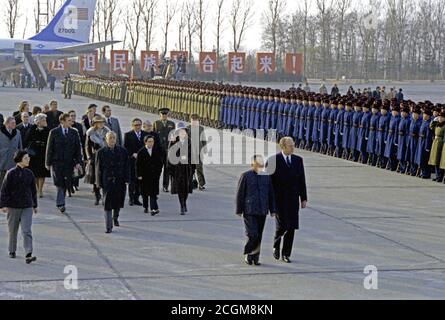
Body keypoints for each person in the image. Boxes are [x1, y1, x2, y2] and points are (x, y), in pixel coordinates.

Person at [267, 137, 308, 264]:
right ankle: (276, 245)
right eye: (290, 146)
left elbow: (302, 180)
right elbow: (268, 183)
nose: (293, 147)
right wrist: (269, 201)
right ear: (283, 147)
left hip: (293, 199)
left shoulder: (298, 160)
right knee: (281, 225)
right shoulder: (273, 160)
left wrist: (304, 198)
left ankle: (286, 253)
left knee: (291, 227)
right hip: (279, 200)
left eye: (293, 145)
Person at [236, 155, 276, 266]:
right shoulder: (246, 176)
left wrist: (273, 209)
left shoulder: (266, 177)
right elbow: (240, 194)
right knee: (252, 234)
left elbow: (270, 194)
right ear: (252, 164)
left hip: (262, 209)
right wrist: (239, 209)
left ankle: (255, 257)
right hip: (249, 210)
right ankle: (248, 252)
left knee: (259, 235)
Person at [0, 150, 38, 263]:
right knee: (13, 230)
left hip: (27, 205)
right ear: (19, 159)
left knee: (26, 230)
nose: (28, 159)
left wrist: (35, 205)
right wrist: (3, 205)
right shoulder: (11, 173)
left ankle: (28, 253)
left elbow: (33, 191)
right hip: (13, 206)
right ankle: (12, 250)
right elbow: (4, 190)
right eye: (26, 158)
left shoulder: (29, 173)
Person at [45, 114, 83, 213]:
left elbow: (77, 149)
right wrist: (47, 163)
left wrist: (79, 162)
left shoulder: (74, 132)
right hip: (57, 163)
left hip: (69, 163)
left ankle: (61, 201)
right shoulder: (54, 132)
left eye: (71, 120)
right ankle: (61, 203)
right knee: (59, 183)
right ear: (62, 121)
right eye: (69, 120)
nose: (71, 122)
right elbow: (49, 148)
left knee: (66, 183)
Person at [96, 132, 130, 233]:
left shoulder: (122, 151)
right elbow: (98, 169)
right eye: (110, 138)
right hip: (107, 181)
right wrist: (98, 182)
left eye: (113, 138)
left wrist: (127, 179)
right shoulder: (101, 152)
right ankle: (108, 226)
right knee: (107, 204)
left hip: (120, 181)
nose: (112, 140)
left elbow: (127, 166)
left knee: (118, 202)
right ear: (106, 140)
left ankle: (115, 217)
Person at [168, 124, 196, 215]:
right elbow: (169, 155)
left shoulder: (190, 141)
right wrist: (170, 169)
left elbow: (193, 155)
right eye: (180, 131)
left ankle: (184, 201)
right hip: (177, 168)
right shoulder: (173, 142)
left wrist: (193, 168)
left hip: (187, 168)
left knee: (186, 188)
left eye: (183, 131)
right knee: (180, 187)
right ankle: (182, 205)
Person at [24, 114, 51, 198]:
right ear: (38, 121)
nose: (45, 122)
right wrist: (35, 143)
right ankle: (36, 188)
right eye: (43, 120)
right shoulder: (32, 129)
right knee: (35, 173)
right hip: (34, 155)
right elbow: (26, 141)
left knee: (42, 173)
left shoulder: (47, 130)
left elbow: (50, 142)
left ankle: (40, 190)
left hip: (43, 154)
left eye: (45, 120)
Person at [85, 116, 110, 205]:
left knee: (105, 177)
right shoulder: (91, 133)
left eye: (102, 122)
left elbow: (110, 144)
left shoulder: (107, 132)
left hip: (105, 157)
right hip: (95, 157)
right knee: (95, 178)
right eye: (99, 122)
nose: (101, 124)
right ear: (95, 124)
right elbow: (87, 146)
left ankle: (104, 196)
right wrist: (89, 157)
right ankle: (97, 195)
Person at [137, 135, 164, 215]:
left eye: (152, 141)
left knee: (153, 193)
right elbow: (138, 164)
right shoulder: (141, 151)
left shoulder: (156, 150)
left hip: (154, 175)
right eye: (149, 141)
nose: (151, 143)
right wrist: (139, 175)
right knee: (145, 193)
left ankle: (153, 209)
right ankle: (145, 206)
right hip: (144, 176)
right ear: (145, 142)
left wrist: (158, 172)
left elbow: (160, 162)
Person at [124, 118, 148, 206]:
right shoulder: (128, 135)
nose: (137, 127)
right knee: (132, 181)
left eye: (139, 125)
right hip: (132, 161)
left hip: (142, 162)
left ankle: (136, 198)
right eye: (136, 125)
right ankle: (131, 198)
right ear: (132, 126)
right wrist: (132, 154)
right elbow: (125, 147)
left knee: (139, 181)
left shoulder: (145, 134)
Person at [154, 108, 176, 193]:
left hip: (168, 149)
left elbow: (174, 136)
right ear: (160, 115)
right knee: (158, 169)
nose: (164, 116)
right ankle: (155, 184)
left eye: (165, 114)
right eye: (162, 114)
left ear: (167, 115)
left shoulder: (172, 124)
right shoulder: (156, 123)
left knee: (167, 169)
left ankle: (165, 186)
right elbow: (153, 136)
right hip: (159, 150)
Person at [187, 114, 207, 191]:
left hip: (199, 151)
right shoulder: (187, 128)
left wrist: (205, 148)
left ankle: (201, 184)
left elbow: (203, 139)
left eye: (196, 120)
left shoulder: (201, 128)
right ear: (190, 121)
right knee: (190, 169)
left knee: (199, 168)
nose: (194, 122)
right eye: (193, 120)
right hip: (190, 151)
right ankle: (190, 183)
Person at [0, 117, 22, 187]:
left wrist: (21, 158)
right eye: (13, 123)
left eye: (15, 122)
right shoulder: (0, 132)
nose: (15, 124)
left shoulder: (18, 132)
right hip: (3, 158)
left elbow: (20, 146)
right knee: (2, 178)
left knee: (14, 178)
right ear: (6, 124)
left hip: (14, 158)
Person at [68, 110, 86, 192]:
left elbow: (82, 138)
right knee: (70, 169)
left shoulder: (78, 126)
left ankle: (75, 184)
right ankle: (70, 185)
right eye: (71, 116)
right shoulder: (66, 126)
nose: (73, 117)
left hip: (77, 149)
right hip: (69, 151)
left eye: (74, 116)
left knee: (77, 167)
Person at [429, 110, 445, 182]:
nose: (440, 119)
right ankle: (437, 175)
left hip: (441, 143)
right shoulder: (437, 124)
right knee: (436, 160)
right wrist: (434, 120)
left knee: (441, 161)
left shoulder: (444, 125)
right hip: (435, 143)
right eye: (439, 117)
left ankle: (440, 176)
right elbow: (431, 127)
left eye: (442, 117)